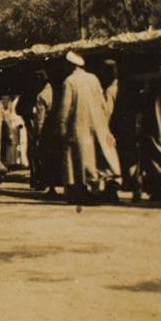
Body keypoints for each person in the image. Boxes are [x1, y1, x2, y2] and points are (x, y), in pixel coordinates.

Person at [57, 51, 121, 206]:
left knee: (79, 161)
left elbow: (65, 108)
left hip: (78, 126)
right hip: (98, 126)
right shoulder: (93, 79)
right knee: (100, 157)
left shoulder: (69, 81)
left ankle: (83, 193)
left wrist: (61, 128)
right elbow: (103, 104)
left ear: (70, 65)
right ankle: (104, 189)